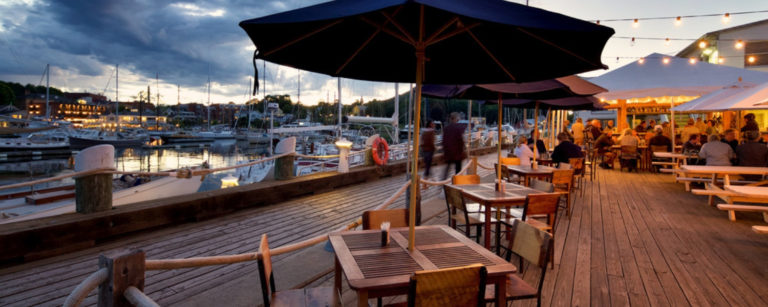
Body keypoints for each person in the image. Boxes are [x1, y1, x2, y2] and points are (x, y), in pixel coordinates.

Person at [441, 112, 466, 180]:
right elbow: (460, 140)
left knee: (447, 169)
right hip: (457, 153)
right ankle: (457, 183)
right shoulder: (458, 128)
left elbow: (444, 141)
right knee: (458, 170)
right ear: (455, 119)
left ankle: (443, 182)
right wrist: (463, 150)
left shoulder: (446, 128)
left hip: (449, 153)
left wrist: (445, 151)